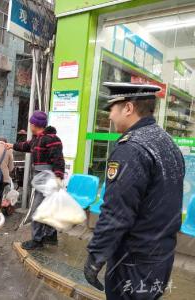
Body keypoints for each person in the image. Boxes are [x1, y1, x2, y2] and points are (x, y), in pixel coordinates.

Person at [84, 83, 185, 299]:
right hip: (160, 257)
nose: (110, 116)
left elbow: (116, 213)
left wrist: (95, 257)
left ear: (128, 108)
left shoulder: (131, 149)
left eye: (112, 108)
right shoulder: (166, 142)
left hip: (132, 262)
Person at [6, 111, 65, 250]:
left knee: (37, 209)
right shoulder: (37, 139)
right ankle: (51, 236)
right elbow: (25, 145)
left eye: (31, 123)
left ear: (35, 124)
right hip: (41, 177)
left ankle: (37, 240)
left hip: (48, 178)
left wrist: (58, 178)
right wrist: (11, 145)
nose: (30, 125)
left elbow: (58, 160)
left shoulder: (52, 139)